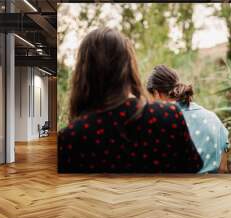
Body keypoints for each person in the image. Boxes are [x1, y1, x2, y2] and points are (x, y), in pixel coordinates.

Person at [58, 28, 203, 173]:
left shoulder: (70, 138)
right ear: (128, 67)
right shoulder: (168, 116)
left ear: (83, 72)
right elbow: (192, 168)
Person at [146, 65, 229, 173]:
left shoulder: (160, 122)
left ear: (156, 94)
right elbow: (223, 168)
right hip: (211, 187)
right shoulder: (213, 118)